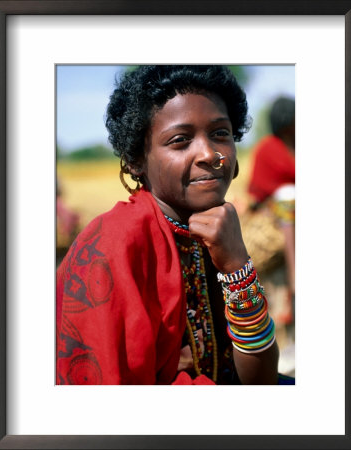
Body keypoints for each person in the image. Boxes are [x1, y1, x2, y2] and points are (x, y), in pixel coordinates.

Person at [56, 65, 280, 385]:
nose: (209, 153)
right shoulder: (115, 244)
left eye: (220, 133)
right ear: (136, 160)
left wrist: (236, 265)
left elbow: (261, 381)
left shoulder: (211, 233)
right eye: (180, 140)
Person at [248, 96, 295, 323]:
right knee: (288, 197)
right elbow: (256, 193)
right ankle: (295, 272)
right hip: (273, 215)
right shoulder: (268, 149)